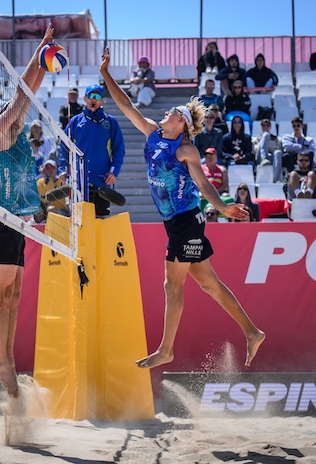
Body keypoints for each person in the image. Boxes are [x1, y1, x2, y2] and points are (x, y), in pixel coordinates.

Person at [100, 46, 265, 370]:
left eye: (173, 112)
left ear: (182, 123)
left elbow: (203, 185)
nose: (166, 114)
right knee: (208, 283)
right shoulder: (152, 134)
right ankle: (252, 331)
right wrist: (106, 74)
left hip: (186, 218)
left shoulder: (185, 148)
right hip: (175, 220)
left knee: (171, 283)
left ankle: (166, 350)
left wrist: (225, 206)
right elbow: (126, 105)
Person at [0, 25, 56, 398]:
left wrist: (42, 55)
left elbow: (25, 97)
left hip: (16, 223)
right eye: (13, 117)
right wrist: (38, 55)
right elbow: (20, 98)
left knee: (15, 295)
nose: (21, 119)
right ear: (1, 120)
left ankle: (5, 361)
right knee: (2, 293)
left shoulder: (18, 142)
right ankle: (2, 361)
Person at [58, 83, 125, 216]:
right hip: (78, 183)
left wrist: (113, 171)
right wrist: (62, 170)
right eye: (91, 96)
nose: (93, 99)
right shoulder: (75, 122)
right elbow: (63, 148)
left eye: (97, 96)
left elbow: (119, 149)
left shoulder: (111, 122)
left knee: (101, 222)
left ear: (102, 100)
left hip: (102, 182)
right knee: (80, 223)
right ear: (85, 98)